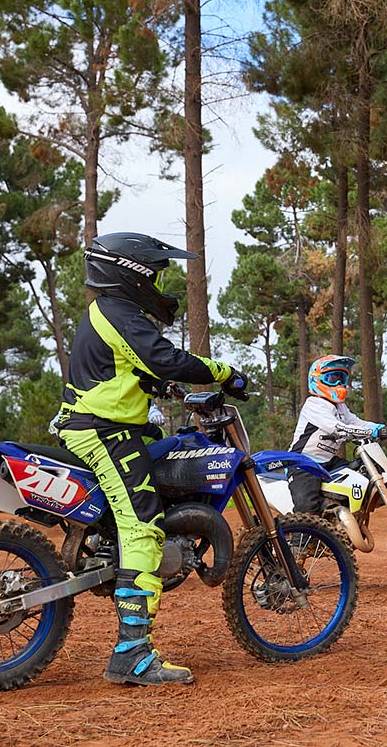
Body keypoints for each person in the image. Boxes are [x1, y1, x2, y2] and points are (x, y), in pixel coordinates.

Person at [54, 232, 247, 686]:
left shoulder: (109, 315)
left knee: (152, 466)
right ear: (133, 274)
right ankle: (132, 653)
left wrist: (166, 388)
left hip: (103, 427)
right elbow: (164, 358)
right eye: (156, 273)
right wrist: (225, 373)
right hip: (103, 431)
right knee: (142, 523)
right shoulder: (115, 312)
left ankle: (113, 566)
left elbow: (135, 369)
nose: (160, 283)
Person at [289, 355, 387, 514]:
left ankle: (345, 521)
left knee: (362, 476)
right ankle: (300, 538)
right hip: (303, 463)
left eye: (342, 378)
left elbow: (356, 422)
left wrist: (382, 428)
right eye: (333, 378)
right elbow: (337, 428)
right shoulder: (314, 404)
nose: (339, 383)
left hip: (329, 462)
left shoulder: (340, 408)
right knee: (307, 507)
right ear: (317, 380)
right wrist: (375, 432)